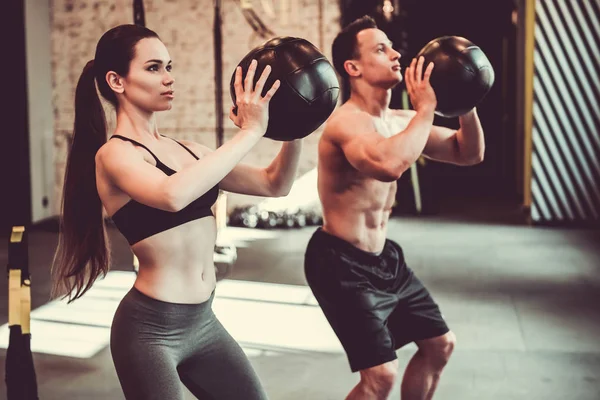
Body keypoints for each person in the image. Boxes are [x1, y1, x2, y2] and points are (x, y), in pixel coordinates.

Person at [51, 24, 301, 400]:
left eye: (169, 67)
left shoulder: (189, 150)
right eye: (153, 68)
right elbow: (172, 195)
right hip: (150, 332)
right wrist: (249, 132)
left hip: (204, 322)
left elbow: (273, 184)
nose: (168, 78)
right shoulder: (114, 155)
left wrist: (293, 123)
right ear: (117, 81)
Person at [304, 16, 485, 400]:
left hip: (384, 258)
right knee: (381, 376)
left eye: (392, 46)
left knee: (440, 345)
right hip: (339, 263)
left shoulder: (402, 121)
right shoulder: (345, 124)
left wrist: (462, 101)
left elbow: (468, 153)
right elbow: (388, 165)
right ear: (352, 68)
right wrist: (426, 110)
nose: (396, 54)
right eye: (380, 49)